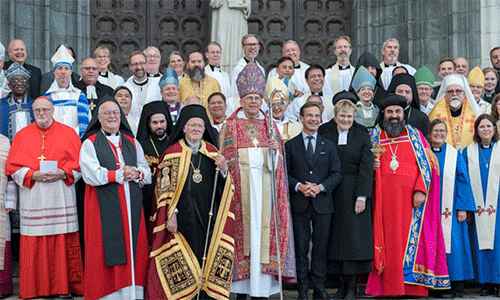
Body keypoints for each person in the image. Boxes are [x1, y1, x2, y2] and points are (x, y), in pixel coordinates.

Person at [220, 62, 296, 299]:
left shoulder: (270, 126)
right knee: (242, 239)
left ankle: (261, 291)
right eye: (249, 98)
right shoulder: (229, 127)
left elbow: (278, 170)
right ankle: (241, 291)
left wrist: (275, 150)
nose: (254, 102)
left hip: (265, 193)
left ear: (262, 100)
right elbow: (224, 163)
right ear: (241, 100)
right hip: (240, 195)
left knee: (262, 239)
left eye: (257, 98)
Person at [147, 104, 235, 300]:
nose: (196, 129)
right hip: (182, 219)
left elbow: (225, 187)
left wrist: (223, 169)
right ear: (184, 128)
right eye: (192, 125)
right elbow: (163, 192)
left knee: (207, 256)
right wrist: (171, 215)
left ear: (205, 129)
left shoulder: (212, 152)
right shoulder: (172, 153)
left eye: (200, 126)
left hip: (208, 217)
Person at [366, 94, 450, 297]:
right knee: (388, 244)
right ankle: (387, 287)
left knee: (409, 243)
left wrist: (421, 190)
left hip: (411, 202)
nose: (394, 116)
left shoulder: (415, 135)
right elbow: (363, 167)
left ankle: (412, 287)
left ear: (403, 114)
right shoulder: (374, 136)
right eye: (390, 112)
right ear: (383, 114)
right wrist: (372, 165)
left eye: (397, 112)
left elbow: (429, 165)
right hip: (383, 200)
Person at [6, 96, 83, 299]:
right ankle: (35, 289)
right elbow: (13, 169)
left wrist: (62, 173)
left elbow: (80, 166)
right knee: (35, 243)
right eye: (38, 110)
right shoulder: (22, 136)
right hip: (34, 196)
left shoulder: (68, 133)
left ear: (53, 110)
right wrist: (32, 175)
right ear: (33, 112)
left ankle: (63, 288)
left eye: (46, 110)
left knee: (61, 240)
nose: (42, 114)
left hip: (61, 194)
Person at [80, 96, 151, 299]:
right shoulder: (90, 143)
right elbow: (90, 175)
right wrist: (119, 175)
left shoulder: (132, 142)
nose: (112, 116)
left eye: (116, 113)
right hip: (103, 209)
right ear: (99, 118)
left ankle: (132, 293)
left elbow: (146, 171)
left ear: (121, 117)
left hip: (132, 206)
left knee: (133, 248)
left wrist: (136, 174)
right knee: (103, 251)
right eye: (107, 113)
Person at [286, 102, 342, 300]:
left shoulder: (329, 145)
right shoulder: (290, 145)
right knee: (300, 249)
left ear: (321, 119)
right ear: (301, 118)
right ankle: (302, 289)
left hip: (322, 204)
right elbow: (285, 174)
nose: (313, 119)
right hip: (300, 203)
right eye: (309, 115)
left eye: (316, 116)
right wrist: (299, 186)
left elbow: (337, 173)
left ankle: (319, 287)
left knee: (320, 248)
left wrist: (320, 187)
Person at [319, 97, 374, 300]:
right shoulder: (325, 131)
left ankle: (351, 287)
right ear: (335, 116)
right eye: (342, 115)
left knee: (353, 241)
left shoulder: (361, 134)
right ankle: (340, 286)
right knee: (335, 239)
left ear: (354, 117)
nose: (345, 119)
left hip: (354, 192)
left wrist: (362, 196)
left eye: (349, 116)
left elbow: (366, 167)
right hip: (331, 191)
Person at [428, 119, 475, 298]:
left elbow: (463, 180)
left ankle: (455, 284)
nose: (438, 134)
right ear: (429, 133)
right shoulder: (424, 153)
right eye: (435, 131)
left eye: (442, 131)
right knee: (431, 245)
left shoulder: (455, 154)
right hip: (429, 210)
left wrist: (462, 207)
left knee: (454, 246)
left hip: (451, 208)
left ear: (446, 134)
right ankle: (432, 284)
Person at [463, 114, 500, 296]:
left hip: (498, 206)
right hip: (476, 206)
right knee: (480, 244)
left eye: (489, 126)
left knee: (498, 243)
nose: (486, 129)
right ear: (476, 130)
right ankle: (485, 283)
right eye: (482, 127)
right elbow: (462, 180)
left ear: (495, 128)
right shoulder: (468, 152)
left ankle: (498, 281)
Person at [135, 100, 174, 236]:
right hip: (147, 197)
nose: (159, 126)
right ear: (149, 124)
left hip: (171, 196)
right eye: (155, 123)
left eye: (162, 122)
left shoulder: (174, 143)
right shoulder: (141, 145)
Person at [43, 45, 90, 139]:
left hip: (76, 141)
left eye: (66, 68)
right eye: (60, 68)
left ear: (71, 71)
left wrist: (73, 137)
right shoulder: (46, 98)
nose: (63, 72)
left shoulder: (79, 96)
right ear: (54, 71)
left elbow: (86, 124)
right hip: (53, 142)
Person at [429, 73, 481, 151]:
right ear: (445, 94)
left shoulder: (474, 112)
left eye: (458, 91)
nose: (454, 94)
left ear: (464, 94)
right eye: (450, 91)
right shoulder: (435, 114)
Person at [0, 62, 34, 141]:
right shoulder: (1, 104)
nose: (19, 83)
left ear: (27, 85)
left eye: (23, 80)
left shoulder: (34, 104)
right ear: (9, 86)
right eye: (14, 81)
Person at [124, 51, 162, 119]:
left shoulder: (157, 86)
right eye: (135, 64)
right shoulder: (125, 88)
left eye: (141, 63)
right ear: (130, 67)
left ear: (146, 64)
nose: (139, 67)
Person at [263, 77, 302, 141]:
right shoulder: (262, 125)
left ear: (286, 106)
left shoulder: (297, 127)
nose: (276, 108)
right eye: (273, 105)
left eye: (280, 104)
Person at [230, 34, 266, 98]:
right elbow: (234, 93)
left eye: (255, 44)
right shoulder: (238, 69)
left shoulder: (261, 69)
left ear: (258, 47)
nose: (252, 47)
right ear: (243, 48)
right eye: (249, 45)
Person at [351, 66, 379, 131]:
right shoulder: (353, 110)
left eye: (369, 89)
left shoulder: (377, 110)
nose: (366, 92)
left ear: (372, 92)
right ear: (358, 93)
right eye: (363, 89)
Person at [204, 42, 232, 107]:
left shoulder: (226, 75)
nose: (215, 55)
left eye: (218, 52)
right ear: (207, 55)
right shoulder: (204, 74)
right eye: (212, 52)